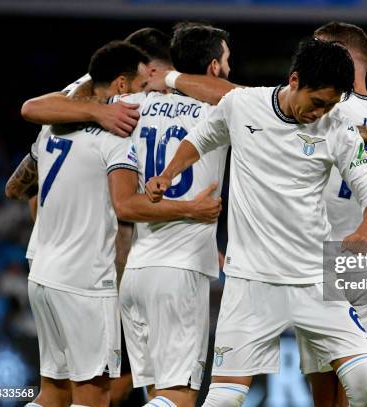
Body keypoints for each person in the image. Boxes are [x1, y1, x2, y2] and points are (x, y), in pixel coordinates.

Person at [147, 37, 367, 407]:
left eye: (330, 105)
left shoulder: (338, 128)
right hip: (251, 281)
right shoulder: (242, 105)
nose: (320, 113)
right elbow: (200, 139)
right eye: (317, 102)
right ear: (294, 81)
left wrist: (364, 230)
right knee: (223, 400)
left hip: (315, 278)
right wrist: (167, 174)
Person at [24, 40, 219, 407]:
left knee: (52, 393)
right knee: (96, 397)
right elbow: (126, 204)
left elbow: (21, 184)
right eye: (143, 85)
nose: (146, 95)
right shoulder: (115, 135)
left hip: (42, 269)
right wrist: (191, 209)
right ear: (121, 86)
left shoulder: (54, 126)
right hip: (85, 279)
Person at [294, 23, 367, 407]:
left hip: (319, 252)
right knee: (363, 384)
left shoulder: (321, 108)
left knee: (325, 388)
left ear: (338, 56)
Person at [117, 24, 231, 407]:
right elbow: (250, 100)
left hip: (135, 271)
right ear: (214, 67)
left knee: (157, 393)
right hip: (179, 272)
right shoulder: (218, 109)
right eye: (227, 61)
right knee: (179, 395)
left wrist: (159, 80)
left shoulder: (134, 106)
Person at [20, 27, 173, 138]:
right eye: (158, 75)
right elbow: (32, 108)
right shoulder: (92, 84)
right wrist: (99, 112)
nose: (163, 87)